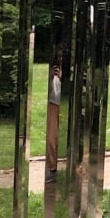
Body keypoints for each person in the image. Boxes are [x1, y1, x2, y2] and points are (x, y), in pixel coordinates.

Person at [45, 46, 63, 184]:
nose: (60, 60)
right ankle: (52, 169)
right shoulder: (51, 73)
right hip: (53, 104)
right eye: (59, 57)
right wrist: (51, 77)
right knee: (51, 139)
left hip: (64, 104)